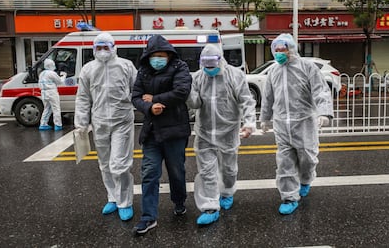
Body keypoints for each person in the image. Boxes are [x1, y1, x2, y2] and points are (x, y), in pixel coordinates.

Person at [260, 33, 333, 215]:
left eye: (282, 49)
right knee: (284, 162)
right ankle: (289, 197)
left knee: (307, 158)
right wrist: (265, 118)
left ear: (291, 49)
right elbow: (268, 97)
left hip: (304, 122)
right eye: (275, 50)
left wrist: (324, 113)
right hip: (282, 124)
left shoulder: (306, 67)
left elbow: (320, 90)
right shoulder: (273, 72)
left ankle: (306, 179)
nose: (278, 53)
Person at [187, 44, 256, 225]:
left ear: (221, 60)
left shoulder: (235, 75)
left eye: (213, 64)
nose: (209, 69)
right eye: (206, 65)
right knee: (207, 171)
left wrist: (249, 123)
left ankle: (227, 191)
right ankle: (210, 206)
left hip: (229, 132)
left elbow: (246, 101)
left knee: (228, 170)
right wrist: (187, 92)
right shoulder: (198, 77)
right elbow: (194, 104)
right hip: (205, 132)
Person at [131, 35, 192, 235]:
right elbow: (136, 96)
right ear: (148, 56)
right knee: (149, 173)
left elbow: (182, 92)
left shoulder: (179, 67)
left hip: (175, 130)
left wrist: (156, 99)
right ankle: (148, 217)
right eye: (154, 55)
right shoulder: (143, 71)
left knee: (176, 172)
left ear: (168, 54)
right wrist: (149, 107)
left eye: (162, 55)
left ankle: (179, 201)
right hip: (151, 132)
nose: (158, 59)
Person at [74, 32, 138, 221]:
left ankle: (125, 202)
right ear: (94, 49)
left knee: (119, 164)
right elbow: (83, 98)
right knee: (105, 164)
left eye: (106, 47)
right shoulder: (88, 69)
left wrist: (135, 106)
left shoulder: (126, 66)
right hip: (99, 121)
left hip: (122, 121)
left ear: (113, 47)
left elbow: (138, 89)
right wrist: (81, 124)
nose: (102, 51)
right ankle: (113, 197)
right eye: (99, 47)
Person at [38, 58, 66, 131]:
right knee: (56, 108)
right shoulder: (52, 73)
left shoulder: (42, 74)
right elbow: (59, 82)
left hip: (43, 93)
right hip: (51, 92)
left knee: (47, 108)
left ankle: (43, 124)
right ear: (51, 65)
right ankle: (58, 125)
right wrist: (63, 76)